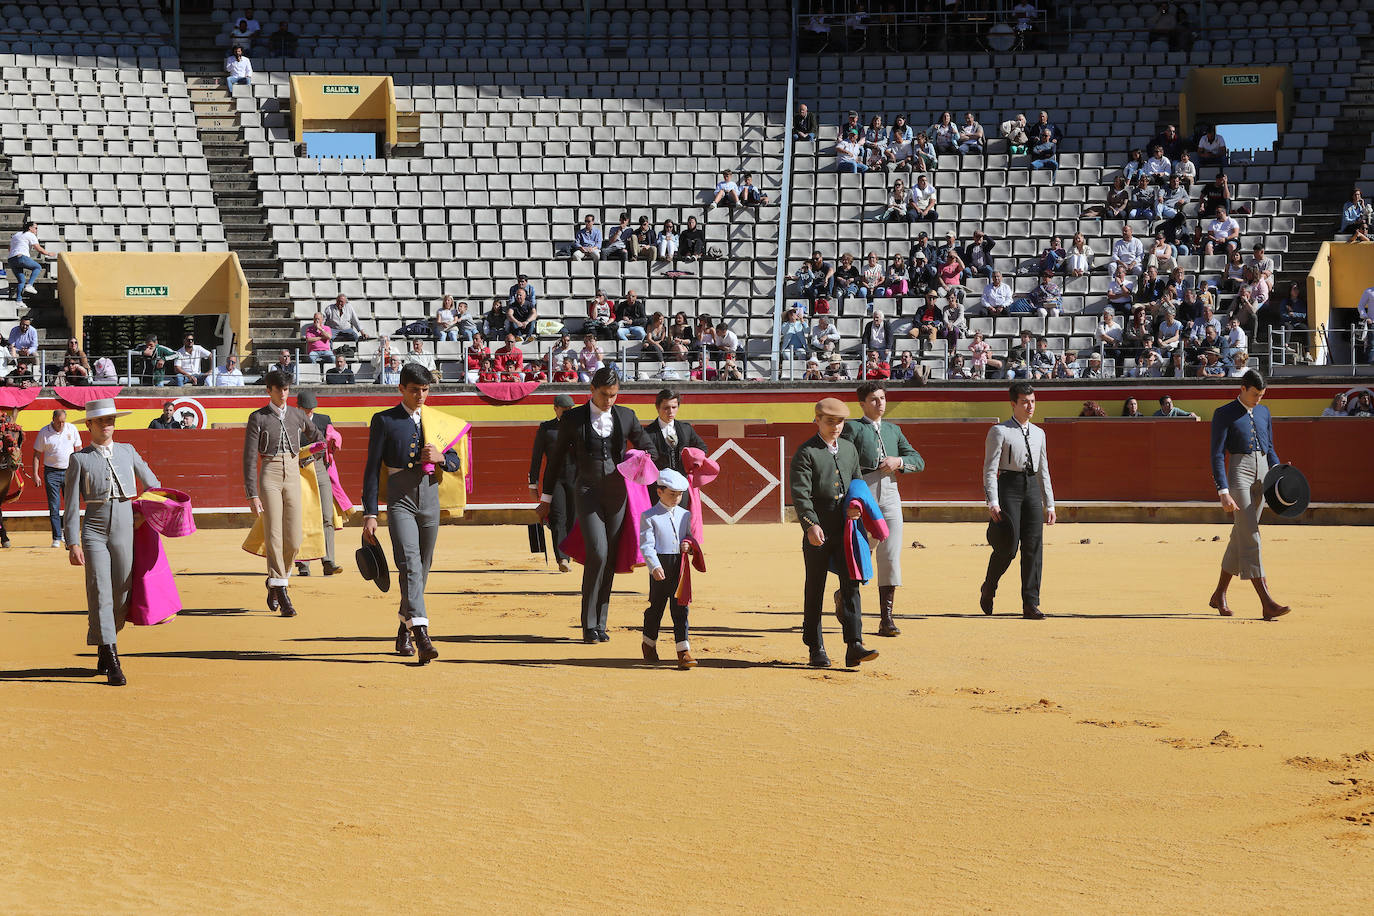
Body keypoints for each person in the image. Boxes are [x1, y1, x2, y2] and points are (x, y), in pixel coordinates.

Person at [536, 367, 654, 643]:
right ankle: (588, 623)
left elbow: (648, 446)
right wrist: (546, 499)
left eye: (614, 395)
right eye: (604, 395)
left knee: (610, 558)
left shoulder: (626, 416)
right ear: (592, 390)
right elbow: (554, 462)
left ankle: (600, 623)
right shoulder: (574, 418)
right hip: (587, 490)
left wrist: (641, 457)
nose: (609, 400)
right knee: (598, 553)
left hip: (617, 494)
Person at [361, 363, 463, 663]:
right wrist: (369, 513)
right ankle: (421, 634)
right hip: (400, 498)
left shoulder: (436, 420)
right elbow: (371, 469)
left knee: (423, 567)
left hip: (430, 499)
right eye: (415, 390)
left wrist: (442, 457)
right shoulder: (384, 420)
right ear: (401, 389)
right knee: (409, 565)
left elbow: (455, 461)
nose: (421, 395)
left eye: (426, 390)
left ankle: (404, 626)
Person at [62, 399, 161, 686]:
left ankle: (104, 644)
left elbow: (154, 485)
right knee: (100, 591)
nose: (107, 425)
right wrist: (72, 542)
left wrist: (144, 516)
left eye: (111, 420)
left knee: (122, 592)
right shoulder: (79, 459)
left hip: (124, 527)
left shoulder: (128, 451)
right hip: (93, 530)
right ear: (89, 425)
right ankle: (113, 657)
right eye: (101, 421)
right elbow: (69, 506)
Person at [790, 397, 879, 669]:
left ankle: (854, 645)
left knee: (851, 583)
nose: (836, 427)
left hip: (845, 525)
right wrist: (810, 524)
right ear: (816, 420)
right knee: (815, 586)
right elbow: (801, 495)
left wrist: (857, 506)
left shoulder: (850, 450)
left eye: (840, 422)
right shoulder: (806, 453)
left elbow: (858, 483)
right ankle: (815, 646)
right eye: (830, 422)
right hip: (820, 522)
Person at [842, 381, 924, 638]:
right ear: (862, 404)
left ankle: (886, 619)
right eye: (874, 399)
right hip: (863, 490)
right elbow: (842, 461)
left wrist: (898, 461)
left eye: (883, 398)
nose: (880, 403)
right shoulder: (853, 428)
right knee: (858, 551)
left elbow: (918, 461)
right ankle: (844, 598)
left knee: (889, 555)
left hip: (890, 492)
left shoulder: (893, 430)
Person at [1208, 371, 1290, 621]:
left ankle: (1219, 594)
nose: (1258, 400)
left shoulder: (1264, 412)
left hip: (1263, 473)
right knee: (1251, 534)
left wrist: (1278, 473)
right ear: (1243, 388)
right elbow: (1216, 454)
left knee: (1241, 534)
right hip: (1239, 475)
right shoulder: (1224, 413)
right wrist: (1222, 490)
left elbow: (1270, 447)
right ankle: (1266, 602)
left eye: (1262, 395)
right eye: (1255, 394)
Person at [242, 369, 323, 617]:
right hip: (270, 473)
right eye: (279, 390)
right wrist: (252, 494)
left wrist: (310, 456)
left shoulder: (298, 415)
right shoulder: (258, 417)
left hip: (293, 470)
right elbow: (249, 457)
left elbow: (317, 437)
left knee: (294, 539)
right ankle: (282, 588)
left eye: (287, 390)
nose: (284, 394)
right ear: (269, 391)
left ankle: (275, 582)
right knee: (274, 534)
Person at [980, 382, 1056, 619]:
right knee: (1008, 546)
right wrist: (992, 500)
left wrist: (1050, 503)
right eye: (1024, 401)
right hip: (1009, 487)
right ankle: (989, 586)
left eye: (1032, 401)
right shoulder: (999, 431)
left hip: (1031, 487)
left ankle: (1030, 603)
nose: (1030, 406)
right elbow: (990, 469)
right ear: (1013, 404)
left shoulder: (1039, 433)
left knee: (1034, 546)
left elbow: (1044, 469)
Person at [638, 467, 700, 669]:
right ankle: (649, 644)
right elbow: (647, 545)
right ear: (659, 492)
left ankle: (684, 651)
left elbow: (690, 536)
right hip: (660, 565)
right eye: (672, 494)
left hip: (679, 566)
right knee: (656, 608)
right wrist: (653, 566)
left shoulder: (685, 514)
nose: (676, 498)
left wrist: (688, 545)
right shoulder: (649, 516)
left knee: (681, 608)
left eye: (680, 495)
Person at [292, 390, 343, 579]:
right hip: (299, 469)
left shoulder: (323, 419)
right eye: (305, 410)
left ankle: (328, 560)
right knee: (302, 516)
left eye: (310, 409)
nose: (308, 412)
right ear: (298, 407)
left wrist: (336, 439)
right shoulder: (291, 419)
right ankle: (303, 563)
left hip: (320, 467)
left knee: (326, 515)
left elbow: (332, 438)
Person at [529, 393, 578, 573]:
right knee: (559, 518)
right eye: (564, 410)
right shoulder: (546, 428)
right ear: (555, 408)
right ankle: (562, 557)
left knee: (573, 518)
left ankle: (569, 551)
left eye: (570, 410)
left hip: (576, 478)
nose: (567, 413)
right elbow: (536, 456)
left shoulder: (579, 427)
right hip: (554, 480)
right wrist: (532, 484)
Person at [33, 408, 82, 548]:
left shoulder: (71, 428)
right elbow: (36, 454)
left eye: (63, 421)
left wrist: (81, 471)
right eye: (59, 422)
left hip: (70, 471)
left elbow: (78, 450)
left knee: (70, 506)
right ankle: (56, 537)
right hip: (51, 473)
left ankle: (69, 536)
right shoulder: (44, 432)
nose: (61, 424)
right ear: (53, 419)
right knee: (54, 506)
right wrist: (35, 474)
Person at [8, 220, 56, 301]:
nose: (36, 230)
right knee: (37, 267)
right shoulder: (30, 235)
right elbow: (38, 248)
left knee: (21, 281)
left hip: (11, 259)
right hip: (21, 257)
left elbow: (9, 248)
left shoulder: (17, 234)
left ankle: (19, 301)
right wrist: (48, 253)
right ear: (30, 228)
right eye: (36, 228)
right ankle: (30, 285)